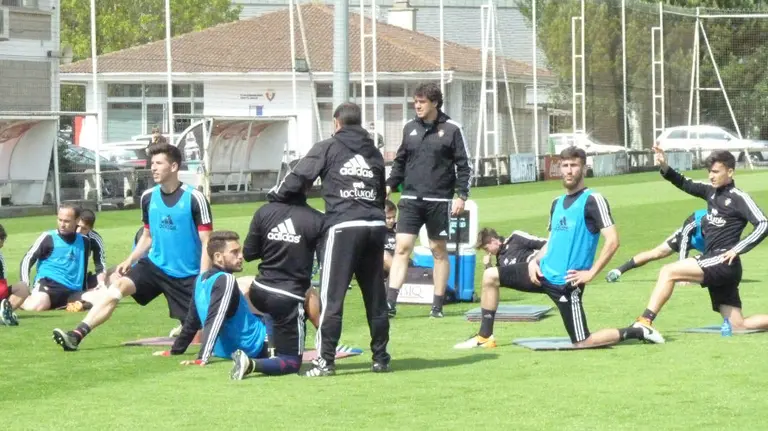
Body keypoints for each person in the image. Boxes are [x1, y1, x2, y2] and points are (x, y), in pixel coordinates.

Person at [455, 147, 662, 349]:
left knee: (582, 341)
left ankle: (638, 330)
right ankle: (485, 337)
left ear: (584, 168)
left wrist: (591, 273)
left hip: (566, 283)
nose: (569, 170)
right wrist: (533, 262)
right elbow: (552, 241)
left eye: (574, 165)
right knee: (490, 276)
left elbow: (613, 241)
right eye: (565, 165)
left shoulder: (592, 200)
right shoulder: (557, 203)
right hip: (541, 272)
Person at [268, 102, 390, 377]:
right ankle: (381, 358)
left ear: (336, 123)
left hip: (344, 225)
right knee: (375, 295)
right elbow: (381, 190)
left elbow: (299, 176)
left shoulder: (328, 146)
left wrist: (277, 196)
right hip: (375, 224)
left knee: (331, 297)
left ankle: (325, 361)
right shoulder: (374, 152)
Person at [52, 143, 213, 351]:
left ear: (173, 167)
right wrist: (130, 259)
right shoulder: (148, 197)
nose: (153, 168)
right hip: (155, 266)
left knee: (200, 336)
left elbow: (207, 242)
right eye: (152, 163)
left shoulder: (194, 198)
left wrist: (203, 277)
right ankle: (76, 335)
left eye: (159, 163)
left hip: (186, 275)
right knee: (117, 288)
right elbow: (147, 236)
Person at [632, 148, 768, 341]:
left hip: (722, 261)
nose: (711, 176)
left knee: (668, 271)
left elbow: (763, 224)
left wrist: (737, 249)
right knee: (738, 325)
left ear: (730, 172)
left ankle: (645, 322)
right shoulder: (710, 191)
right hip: (718, 263)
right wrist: (664, 165)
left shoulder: (739, 197)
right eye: (710, 171)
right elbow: (684, 183)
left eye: (716, 171)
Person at [385, 82, 473, 319]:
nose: (417, 106)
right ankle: (390, 302)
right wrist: (390, 185)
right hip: (410, 198)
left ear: (435, 103)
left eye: (422, 102)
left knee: (438, 250)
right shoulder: (409, 128)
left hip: (439, 200)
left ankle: (437, 304)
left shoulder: (452, 129)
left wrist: (462, 195)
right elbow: (400, 161)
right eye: (415, 102)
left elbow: (465, 165)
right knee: (402, 247)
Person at [229, 192, 325, 380]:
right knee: (291, 362)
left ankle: (272, 350)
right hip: (287, 295)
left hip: (260, 290)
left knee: (277, 310)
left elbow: (249, 253)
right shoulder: (317, 218)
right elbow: (325, 261)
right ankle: (251, 363)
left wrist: (275, 244)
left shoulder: (265, 211)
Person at [152, 231, 272, 372]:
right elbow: (215, 318)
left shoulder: (200, 280)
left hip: (229, 350)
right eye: (234, 252)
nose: (241, 256)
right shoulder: (226, 279)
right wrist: (202, 358)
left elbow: (192, 321)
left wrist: (175, 350)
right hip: (257, 343)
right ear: (218, 257)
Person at [1, 205, 93, 323]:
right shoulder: (48, 237)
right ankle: (18, 300)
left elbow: (83, 267)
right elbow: (27, 259)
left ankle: (75, 304)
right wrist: (25, 284)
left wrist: (84, 290)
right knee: (37, 306)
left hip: (73, 291)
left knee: (100, 298)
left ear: (77, 220)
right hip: (48, 286)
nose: (62, 224)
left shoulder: (85, 241)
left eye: (66, 221)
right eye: (60, 220)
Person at [606, 209, 707, 283]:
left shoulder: (716, 225)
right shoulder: (693, 222)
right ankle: (618, 271)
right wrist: (682, 274)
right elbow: (684, 246)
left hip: (709, 243)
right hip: (690, 238)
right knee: (658, 252)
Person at [475, 228, 548, 269]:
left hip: (543, 264)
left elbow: (546, 243)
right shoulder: (500, 262)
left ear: (493, 241)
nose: (487, 252)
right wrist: (488, 265)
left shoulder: (515, 238)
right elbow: (495, 279)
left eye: (486, 249)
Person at [75, 209, 108, 291]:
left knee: (117, 272)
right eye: (77, 226)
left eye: (84, 228)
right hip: (60, 277)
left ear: (91, 228)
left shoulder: (94, 239)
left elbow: (100, 264)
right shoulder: (65, 234)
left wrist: (101, 283)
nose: (78, 231)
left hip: (81, 278)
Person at [383, 200, 397, 283]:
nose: (392, 220)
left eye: (394, 217)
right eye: (388, 218)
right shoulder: (376, 231)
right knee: (383, 255)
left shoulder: (398, 229)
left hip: (398, 261)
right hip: (381, 265)